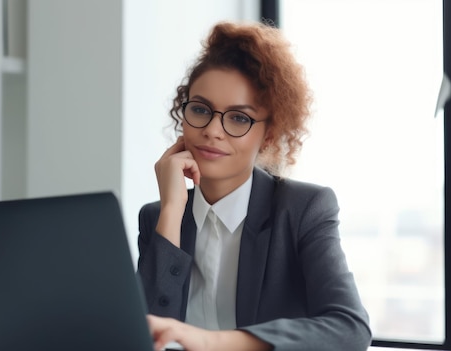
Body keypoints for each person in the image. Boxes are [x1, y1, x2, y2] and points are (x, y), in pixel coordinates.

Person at [136, 20, 371, 351]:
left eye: (238, 117)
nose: (213, 131)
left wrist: (209, 341)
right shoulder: (157, 217)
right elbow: (144, 334)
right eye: (201, 109)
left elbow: (351, 328)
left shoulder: (304, 209)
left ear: (269, 135)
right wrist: (172, 211)